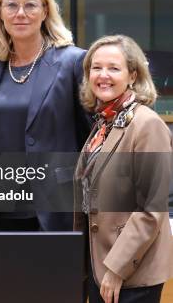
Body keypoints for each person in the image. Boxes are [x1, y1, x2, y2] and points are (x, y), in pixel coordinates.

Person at [0, 0, 91, 231]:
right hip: (1, 207)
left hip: (54, 208)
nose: (21, 13)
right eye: (11, 5)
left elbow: (90, 137)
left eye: (30, 5)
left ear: (44, 11)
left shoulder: (73, 61)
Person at [74, 35, 172, 303]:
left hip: (130, 274)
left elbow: (151, 210)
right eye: (96, 67)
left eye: (113, 68)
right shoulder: (105, 122)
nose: (103, 75)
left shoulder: (147, 125)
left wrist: (117, 269)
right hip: (98, 267)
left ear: (132, 75)